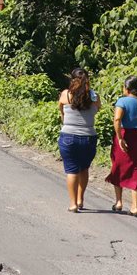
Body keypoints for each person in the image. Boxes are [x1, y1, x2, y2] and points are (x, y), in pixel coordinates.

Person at [105, 75, 137, 215]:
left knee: (118, 167)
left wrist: (120, 138)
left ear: (126, 88)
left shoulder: (122, 101)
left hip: (126, 135)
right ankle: (135, 206)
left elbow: (117, 119)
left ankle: (119, 201)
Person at [57, 67, 100, 212]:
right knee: (84, 169)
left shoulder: (65, 95)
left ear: (72, 79)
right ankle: (81, 199)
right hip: (89, 136)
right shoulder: (94, 96)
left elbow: (62, 111)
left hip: (68, 136)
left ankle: (73, 203)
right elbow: (97, 109)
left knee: (71, 170)